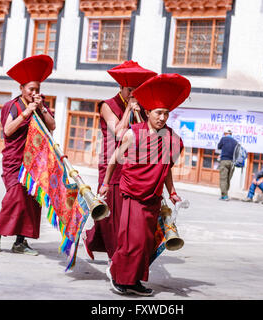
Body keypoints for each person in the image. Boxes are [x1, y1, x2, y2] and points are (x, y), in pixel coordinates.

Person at [99, 73, 190, 296]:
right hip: (131, 193)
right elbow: (113, 160)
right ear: (148, 112)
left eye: (166, 113)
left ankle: (134, 280)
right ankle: (120, 278)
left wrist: (173, 192)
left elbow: (166, 169)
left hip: (153, 196)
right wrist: (105, 184)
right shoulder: (133, 134)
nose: (162, 118)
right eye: (158, 113)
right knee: (132, 240)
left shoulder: (171, 138)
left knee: (146, 243)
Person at [83, 61, 157, 263]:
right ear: (121, 88)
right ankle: (115, 256)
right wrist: (128, 111)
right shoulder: (108, 105)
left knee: (121, 213)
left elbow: (145, 132)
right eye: (129, 90)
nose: (133, 94)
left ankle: (92, 239)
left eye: (136, 90)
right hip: (111, 161)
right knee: (111, 211)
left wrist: (137, 111)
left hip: (133, 165)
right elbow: (118, 132)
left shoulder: (141, 107)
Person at [0, 55, 56, 255]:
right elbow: (8, 130)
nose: (35, 93)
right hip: (14, 161)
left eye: (38, 90)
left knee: (32, 201)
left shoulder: (42, 107)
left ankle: (20, 242)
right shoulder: (12, 106)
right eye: (31, 89)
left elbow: (52, 127)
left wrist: (41, 108)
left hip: (35, 162)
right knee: (16, 196)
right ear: (21, 89)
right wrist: (27, 112)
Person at [217, 129, 238, 201]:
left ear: (225, 133)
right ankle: (225, 194)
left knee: (223, 179)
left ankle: (224, 196)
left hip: (224, 161)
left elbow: (218, 146)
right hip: (232, 162)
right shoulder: (235, 142)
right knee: (228, 179)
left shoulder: (223, 139)